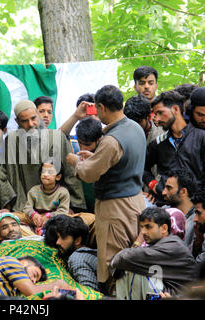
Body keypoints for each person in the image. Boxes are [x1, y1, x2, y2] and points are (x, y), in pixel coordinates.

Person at [66, 85, 146, 295]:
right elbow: (121, 163)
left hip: (115, 208)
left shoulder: (111, 140)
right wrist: (95, 159)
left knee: (114, 264)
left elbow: (89, 174)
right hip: (136, 201)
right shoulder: (135, 127)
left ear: (101, 107)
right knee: (131, 257)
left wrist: (76, 162)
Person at [0, 99, 87, 214]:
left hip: (57, 207)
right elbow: (4, 175)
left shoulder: (57, 138)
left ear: (37, 115)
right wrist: (8, 206)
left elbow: (70, 173)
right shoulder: (12, 140)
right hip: (23, 207)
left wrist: (74, 206)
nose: (31, 124)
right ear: (17, 121)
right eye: (24, 121)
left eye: (33, 118)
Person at [144, 90, 205, 202]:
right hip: (165, 207)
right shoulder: (158, 143)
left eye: (160, 113)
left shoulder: (202, 138)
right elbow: (143, 168)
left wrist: (204, 199)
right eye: (155, 114)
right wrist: (153, 185)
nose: (156, 119)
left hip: (195, 209)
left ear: (176, 109)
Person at [111, 207, 198, 300]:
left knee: (136, 270)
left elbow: (123, 258)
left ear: (164, 228)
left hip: (180, 297)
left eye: (148, 227)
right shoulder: (163, 243)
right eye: (142, 227)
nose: (143, 232)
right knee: (132, 266)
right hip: (170, 293)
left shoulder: (172, 247)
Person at [161, 169, 205, 256]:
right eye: (165, 188)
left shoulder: (199, 218)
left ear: (183, 191)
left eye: (169, 188)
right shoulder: (162, 212)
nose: (163, 192)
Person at [45, 215, 98, 291]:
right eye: (57, 237)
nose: (58, 242)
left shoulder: (77, 258)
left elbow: (90, 292)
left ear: (77, 240)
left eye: (63, 237)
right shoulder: (86, 254)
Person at [22, 161, 71, 235]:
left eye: (50, 172)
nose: (45, 174)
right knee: (18, 216)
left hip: (54, 221)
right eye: (43, 171)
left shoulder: (63, 192)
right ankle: (34, 231)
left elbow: (63, 211)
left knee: (67, 219)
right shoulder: (34, 190)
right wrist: (33, 214)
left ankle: (45, 232)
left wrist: (49, 216)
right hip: (36, 220)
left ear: (58, 177)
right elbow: (27, 207)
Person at [73, 117, 103, 213]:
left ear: (98, 139)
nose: (82, 148)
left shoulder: (107, 151)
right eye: (80, 143)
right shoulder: (74, 151)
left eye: (87, 144)